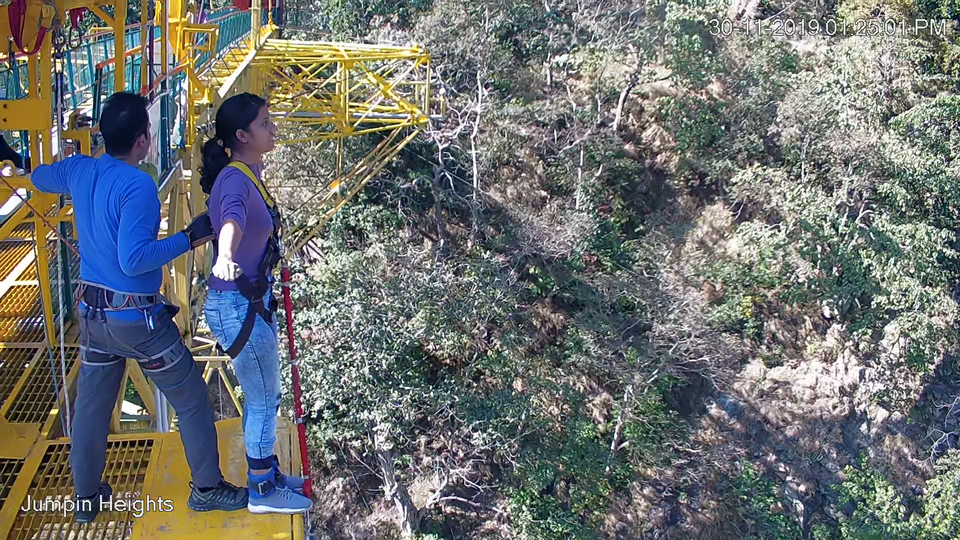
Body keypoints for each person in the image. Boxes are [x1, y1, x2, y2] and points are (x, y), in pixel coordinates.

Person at [29, 91, 249, 523]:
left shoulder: (79, 170)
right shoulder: (138, 186)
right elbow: (134, 259)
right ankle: (207, 487)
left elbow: (39, 177)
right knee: (190, 399)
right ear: (142, 141)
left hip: (93, 319)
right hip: (137, 321)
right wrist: (189, 237)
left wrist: (18, 158)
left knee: (91, 410)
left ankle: (87, 497)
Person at [199, 92, 311, 514]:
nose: (273, 128)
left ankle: (270, 474)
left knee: (263, 394)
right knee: (265, 398)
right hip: (236, 305)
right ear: (243, 135)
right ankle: (262, 492)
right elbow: (230, 220)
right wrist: (226, 257)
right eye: (265, 123)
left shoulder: (249, 171)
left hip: (247, 301)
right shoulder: (234, 179)